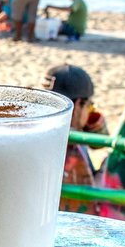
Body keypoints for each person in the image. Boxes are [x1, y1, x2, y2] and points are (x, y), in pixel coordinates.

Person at [42, 64, 107, 215]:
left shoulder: (36, 134)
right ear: (78, 104)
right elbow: (102, 144)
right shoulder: (72, 146)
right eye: (90, 106)